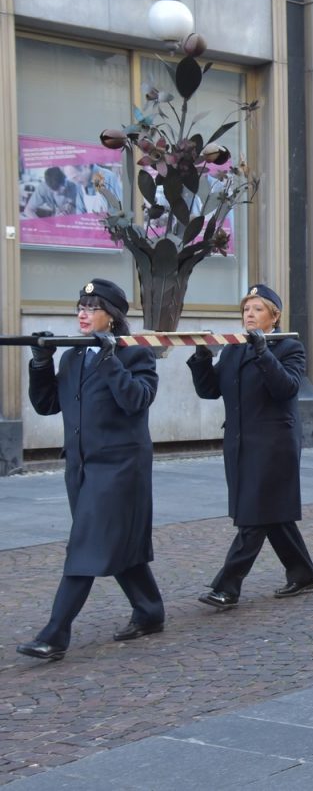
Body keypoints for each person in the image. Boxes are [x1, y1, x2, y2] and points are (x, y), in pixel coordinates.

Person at [19, 279, 163, 661]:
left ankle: (55, 634)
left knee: (85, 545)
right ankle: (149, 610)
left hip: (120, 466)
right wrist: (40, 361)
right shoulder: (71, 355)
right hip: (81, 467)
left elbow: (137, 400)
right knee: (111, 542)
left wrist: (109, 358)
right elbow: (48, 404)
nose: (83, 313)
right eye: (80, 306)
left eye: (92, 307)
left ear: (112, 317)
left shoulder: (136, 354)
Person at [188, 284, 313, 610]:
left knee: (254, 515)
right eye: (246, 309)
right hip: (240, 443)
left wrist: (263, 353)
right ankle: (303, 573)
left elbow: (286, 388)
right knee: (272, 514)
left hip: (274, 444)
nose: (249, 314)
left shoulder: (289, 347)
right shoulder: (233, 349)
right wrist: (203, 357)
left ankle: (227, 586)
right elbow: (209, 391)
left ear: (273, 317)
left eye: (257, 309)